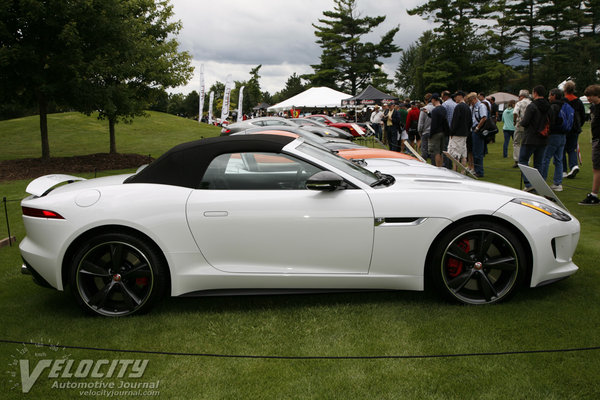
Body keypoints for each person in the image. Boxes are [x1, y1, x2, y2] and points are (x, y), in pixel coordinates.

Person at [519, 85, 551, 191]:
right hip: (543, 137)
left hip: (531, 137)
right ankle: (538, 185)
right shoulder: (549, 106)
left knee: (523, 160)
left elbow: (525, 122)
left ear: (535, 93)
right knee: (538, 163)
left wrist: (521, 120)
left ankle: (528, 183)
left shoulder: (532, 106)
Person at [541, 88, 568, 191]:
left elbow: (550, 121)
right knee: (559, 159)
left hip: (553, 135)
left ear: (554, 95)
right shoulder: (565, 105)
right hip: (563, 135)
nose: (549, 97)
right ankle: (558, 183)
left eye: (550, 95)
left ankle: (542, 181)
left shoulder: (553, 107)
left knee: (546, 158)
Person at [579, 84, 600, 205]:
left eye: (590, 96)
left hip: (599, 140)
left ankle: (594, 195)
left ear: (596, 95)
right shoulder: (594, 107)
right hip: (596, 139)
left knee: (597, 168)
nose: (588, 99)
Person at [563, 80, 586, 179]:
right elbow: (583, 116)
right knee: (572, 149)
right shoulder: (578, 101)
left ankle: (563, 170)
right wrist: (579, 125)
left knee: (562, 150)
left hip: (564, 128)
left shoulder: (563, 100)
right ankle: (573, 165)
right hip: (575, 128)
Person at [449, 91, 471, 172]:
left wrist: (451, 132)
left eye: (456, 96)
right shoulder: (467, 107)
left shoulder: (458, 107)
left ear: (460, 96)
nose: (455, 98)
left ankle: (455, 170)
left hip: (457, 134)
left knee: (455, 154)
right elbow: (470, 122)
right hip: (465, 133)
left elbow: (455, 121)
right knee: (463, 153)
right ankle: (463, 171)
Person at [469, 92, 489, 177]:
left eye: (471, 100)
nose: (470, 102)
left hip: (478, 131)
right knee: (475, 151)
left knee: (478, 152)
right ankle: (477, 170)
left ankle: (480, 172)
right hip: (473, 130)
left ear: (474, 99)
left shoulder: (481, 106)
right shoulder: (473, 107)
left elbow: (484, 117)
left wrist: (477, 127)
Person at [513, 90, 532, 168]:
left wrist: (514, 121)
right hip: (529, 125)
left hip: (520, 124)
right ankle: (527, 160)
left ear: (522, 96)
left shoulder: (519, 103)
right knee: (527, 143)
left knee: (516, 142)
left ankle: (517, 160)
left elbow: (515, 112)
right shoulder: (531, 103)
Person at [428, 93, 448, 167]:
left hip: (436, 133)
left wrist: (431, 135)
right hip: (443, 132)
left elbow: (434, 124)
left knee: (436, 152)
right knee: (441, 152)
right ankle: (441, 166)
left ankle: (438, 167)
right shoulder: (443, 109)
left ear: (434, 100)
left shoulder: (435, 110)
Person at [418, 93, 434, 162]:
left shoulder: (424, 109)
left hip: (425, 131)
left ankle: (424, 163)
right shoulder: (436, 108)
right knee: (433, 149)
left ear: (426, 100)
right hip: (434, 131)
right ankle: (434, 163)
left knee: (424, 149)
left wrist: (419, 131)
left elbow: (421, 122)